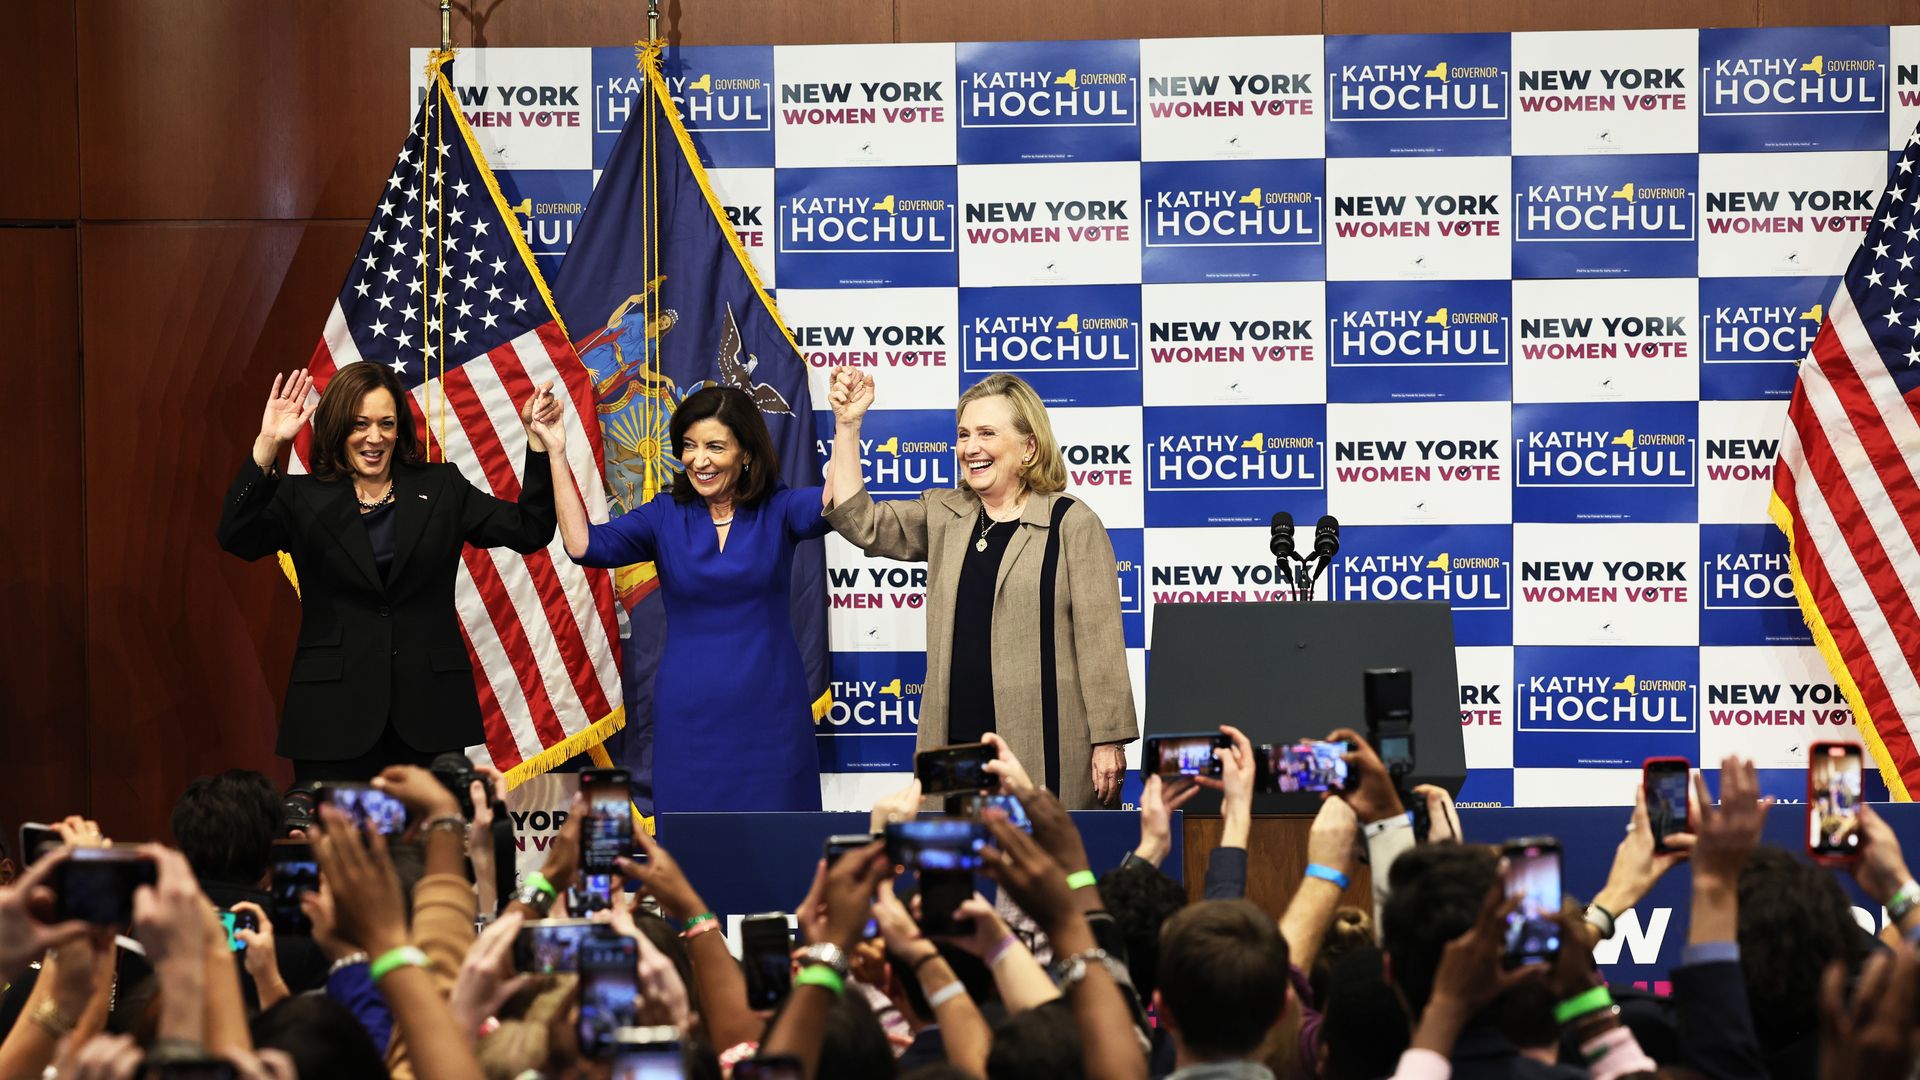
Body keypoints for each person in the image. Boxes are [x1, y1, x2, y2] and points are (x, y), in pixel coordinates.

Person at [217, 363, 561, 779]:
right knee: (343, 845)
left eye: (386, 423)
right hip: (332, 717)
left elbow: (530, 529)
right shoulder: (300, 496)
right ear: (338, 427)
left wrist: (537, 443)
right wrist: (267, 446)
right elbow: (236, 537)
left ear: (400, 428)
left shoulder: (441, 487)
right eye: (360, 424)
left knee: (432, 844)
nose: (374, 437)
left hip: (430, 715)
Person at [824, 369, 1138, 808]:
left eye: (987, 433)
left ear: (1028, 447)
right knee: (954, 866)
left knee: (1040, 868)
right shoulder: (944, 513)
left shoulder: (1070, 521)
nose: (970, 448)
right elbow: (860, 521)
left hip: (1042, 744)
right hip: (953, 745)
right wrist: (847, 425)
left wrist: (1110, 742)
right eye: (963, 434)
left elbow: (1100, 640)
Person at [541, 384, 832, 812]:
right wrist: (556, 452)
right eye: (690, 446)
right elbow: (583, 545)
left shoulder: (779, 507)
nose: (700, 460)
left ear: (746, 453)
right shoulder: (664, 514)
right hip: (690, 719)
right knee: (694, 850)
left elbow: (838, 505)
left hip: (772, 716)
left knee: (781, 848)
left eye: (715, 446)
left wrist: (847, 425)